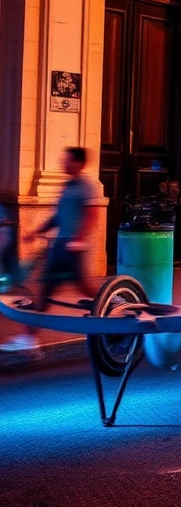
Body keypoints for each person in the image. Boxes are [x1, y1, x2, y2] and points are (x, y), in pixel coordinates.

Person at [2, 147, 99, 353]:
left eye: (69, 160)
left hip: (73, 248)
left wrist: (79, 239)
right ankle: (29, 338)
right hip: (59, 246)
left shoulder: (87, 186)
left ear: (80, 163)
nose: (64, 163)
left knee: (82, 287)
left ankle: (114, 303)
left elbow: (92, 216)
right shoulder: (67, 186)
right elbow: (57, 217)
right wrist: (36, 232)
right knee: (45, 289)